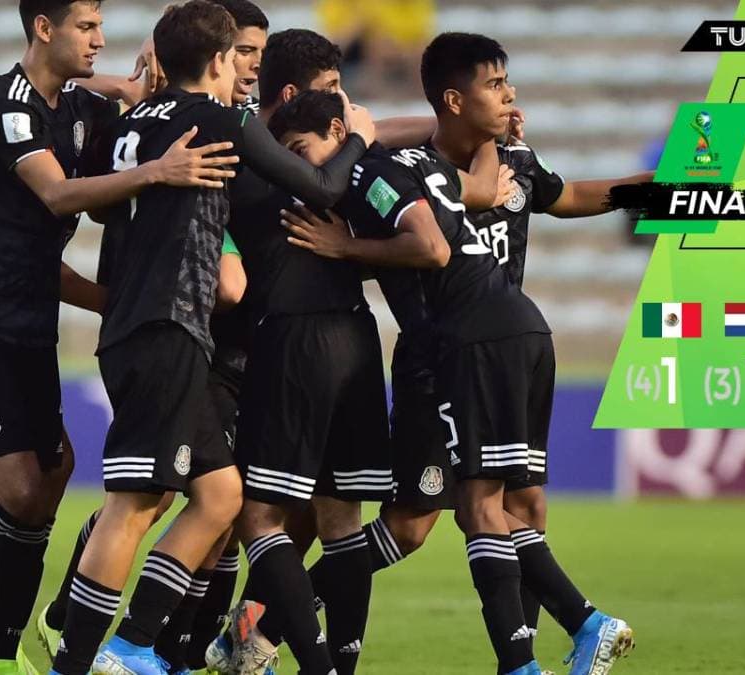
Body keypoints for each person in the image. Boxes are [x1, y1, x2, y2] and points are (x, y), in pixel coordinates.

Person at [0, 1, 239, 674]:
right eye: (86, 27)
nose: (100, 40)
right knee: (13, 488)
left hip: (29, 319)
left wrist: (136, 90)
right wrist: (157, 172)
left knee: (52, 476)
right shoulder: (2, 107)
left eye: (101, 27)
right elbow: (56, 194)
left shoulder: (79, 109)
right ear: (44, 28)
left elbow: (126, 114)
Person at [276, 34, 636, 675]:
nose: (510, 96)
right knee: (419, 521)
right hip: (437, 356)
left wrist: (667, 191)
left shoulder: (510, 164)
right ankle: (274, 615)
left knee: (512, 506)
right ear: (452, 101)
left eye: (506, 85)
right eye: (494, 86)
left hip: (488, 343)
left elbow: (570, 197)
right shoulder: (409, 166)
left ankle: (535, 650)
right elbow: (444, 210)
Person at [47, 3, 377, 674]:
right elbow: (319, 185)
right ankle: (83, 659)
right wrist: (360, 139)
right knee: (134, 504)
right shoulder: (221, 121)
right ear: (221, 60)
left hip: (141, 324)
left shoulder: (132, 122)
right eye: (239, 56)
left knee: (221, 495)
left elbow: (104, 205)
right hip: (167, 323)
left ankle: (134, 644)